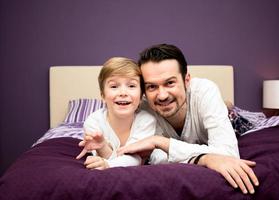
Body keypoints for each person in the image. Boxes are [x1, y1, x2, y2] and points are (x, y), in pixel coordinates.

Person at [117, 44, 259, 194]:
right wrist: (204, 159)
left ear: (186, 80)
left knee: (231, 114)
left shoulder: (205, 90)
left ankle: (226, 105)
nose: (162, 95)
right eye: (152, 87)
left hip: (234, 121)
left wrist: (159, 142)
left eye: (170, 83)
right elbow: (154, 157)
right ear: (144, 90)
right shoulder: (142, 109)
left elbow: (228, 156)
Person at [76, 57, 160, 169]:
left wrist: (108, 164)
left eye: (131, 86)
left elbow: (135, 158)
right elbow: (107, 158)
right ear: (103, 95)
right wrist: (102, 147)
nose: (123, 93)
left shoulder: (146, 121)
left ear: (141, 96)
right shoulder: (93, 123)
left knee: (161, 157)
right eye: (114, 86)